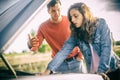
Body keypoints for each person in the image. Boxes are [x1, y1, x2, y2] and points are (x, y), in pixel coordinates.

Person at [44, 2, 120, 80]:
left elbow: (106, 48)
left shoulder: (101, 24)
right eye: (71, 17)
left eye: (75, 16)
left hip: (112, 70)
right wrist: (49, 69)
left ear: (84, 14)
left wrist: (101, 71)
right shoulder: (75, 34)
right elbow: (63, 52)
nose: (72, 20)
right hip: (94, 75)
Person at [28, 0, 86, 74]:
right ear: (48, 11)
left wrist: (81, 56)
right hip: (59, 66)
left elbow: (82, 37)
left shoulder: (70, 20)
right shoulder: (43, 27)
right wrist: (30, 44)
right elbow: (35, 47)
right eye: (53, 11)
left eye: (58, 9)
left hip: (76, 62)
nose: (57, 13)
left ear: (61, 8)